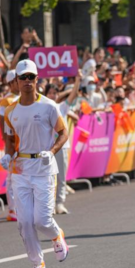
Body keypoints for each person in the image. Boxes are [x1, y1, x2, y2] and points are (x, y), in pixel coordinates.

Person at [0, 59, 70, 268]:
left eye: (31, 77)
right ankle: (37, 264)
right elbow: (10, 139)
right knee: (25, 221)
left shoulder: (49, 106)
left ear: (37, 79)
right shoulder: (10, 111)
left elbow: (63, 132)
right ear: (17, 81)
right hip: (20, 170)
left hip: (44, 168)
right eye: (23, 77)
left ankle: (57, 234)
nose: (28, 81)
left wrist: (52, 151)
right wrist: (8, 155)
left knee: (42, 221)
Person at [44, 73, 81, 215]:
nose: (52, 95)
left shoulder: (62, 107)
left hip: (61, 147)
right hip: (46, 148)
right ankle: (49, 204)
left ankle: (59, 203)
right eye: (50, 93)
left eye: (55, 93)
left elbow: (74, 94)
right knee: (48, 177)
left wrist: (77, 80)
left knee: (61, 177)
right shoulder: (41, 108)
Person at [0, 70, 19, 222]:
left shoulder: (24, 97)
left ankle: (20, 207)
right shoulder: (6, 101)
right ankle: (12, 209)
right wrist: (7, 142)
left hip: (24, 142)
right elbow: (2, 123)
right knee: (12, 177)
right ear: (11, 82)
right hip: (13, 143)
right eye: (18, 79)